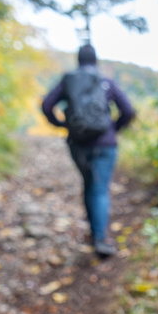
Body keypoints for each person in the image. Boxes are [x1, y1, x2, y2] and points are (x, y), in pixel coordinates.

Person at [42, 44, 135, 257]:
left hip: (79, 144)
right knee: (100, 189)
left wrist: (61, 124)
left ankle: (94, 233)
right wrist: (114, 128)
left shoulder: (69, 80)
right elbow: (128, 111)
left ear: (78, 60)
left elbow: (47, 106)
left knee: (89, 185)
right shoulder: (105, 82)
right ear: (95, 61)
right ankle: (100, 238)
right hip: (105, 144)